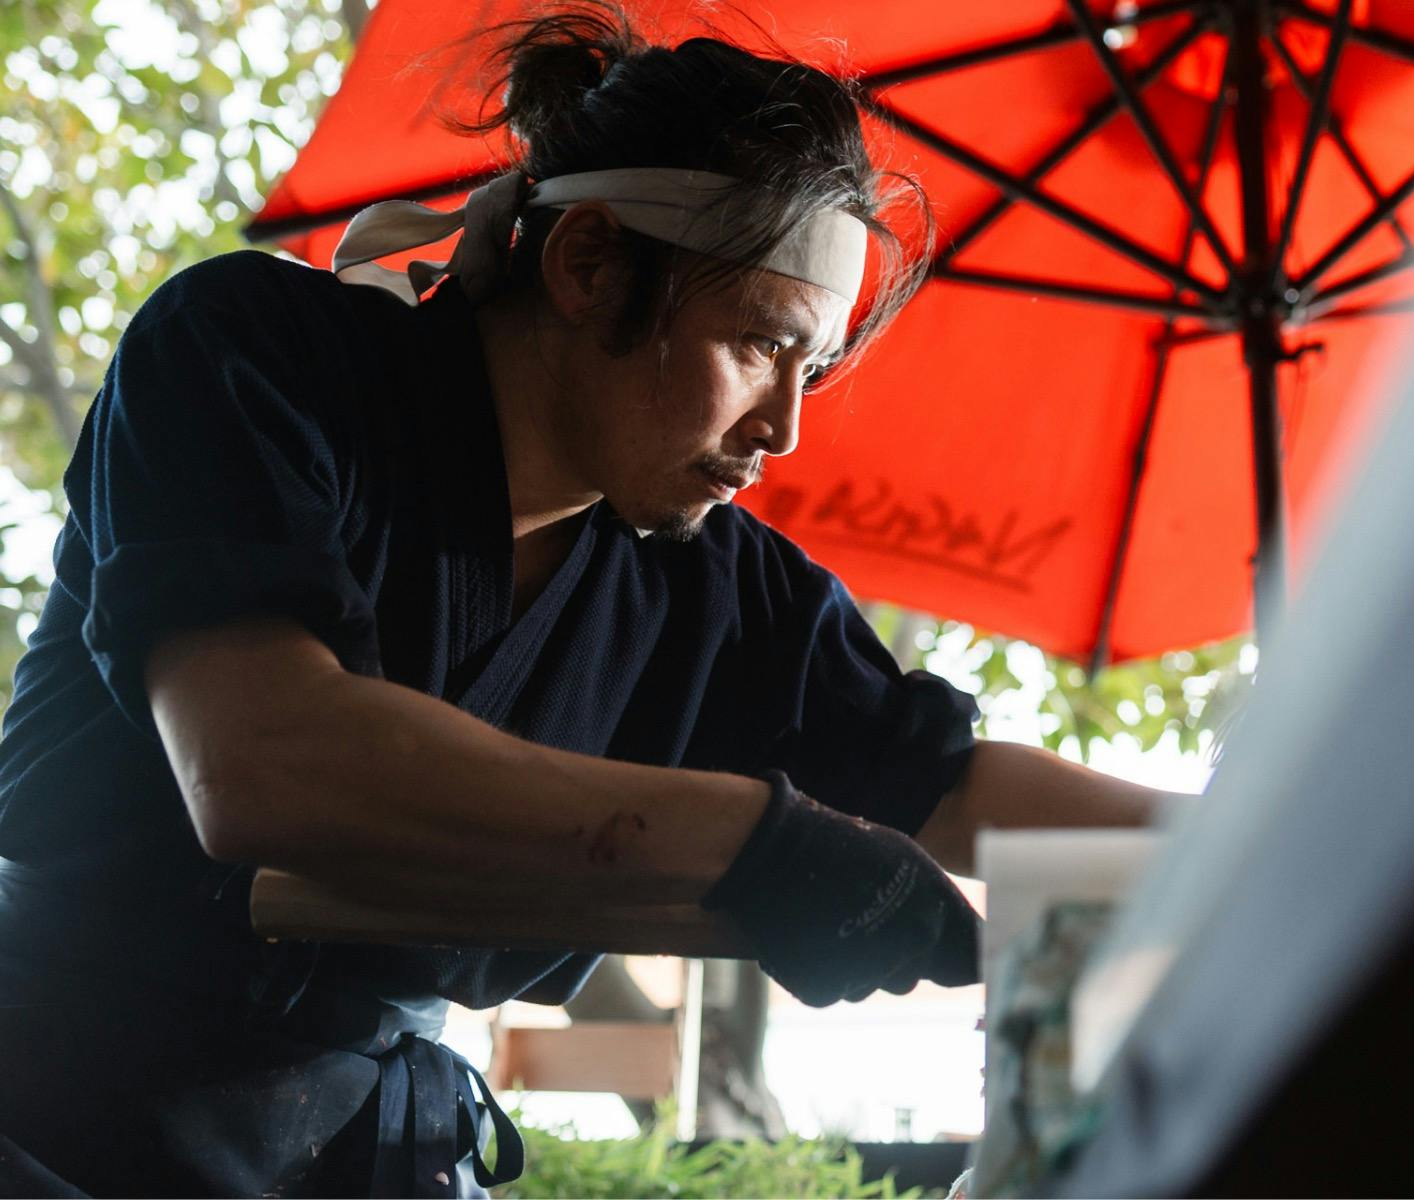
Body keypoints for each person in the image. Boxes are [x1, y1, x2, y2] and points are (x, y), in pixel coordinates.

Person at [0, 4, 1162, 1195]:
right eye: (760, 346)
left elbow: (950, 786)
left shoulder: (710, 579)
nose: (782, 429)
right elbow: (265, 766)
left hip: (356, 1151)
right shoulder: (255, 353)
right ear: (588, 264)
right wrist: (749, 844)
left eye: (809, 371)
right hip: (52, 1102)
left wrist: (1256, 848)